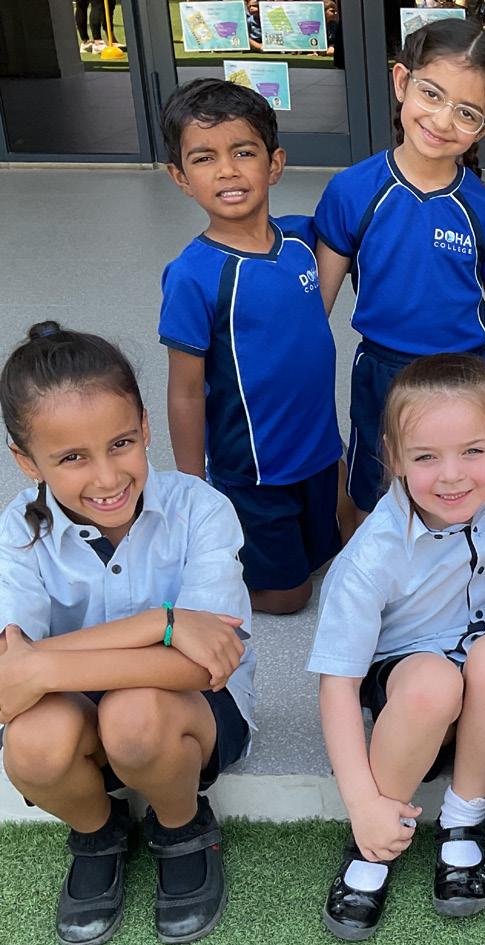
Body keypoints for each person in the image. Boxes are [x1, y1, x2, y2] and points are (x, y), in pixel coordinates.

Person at [0, 323, 255, 945]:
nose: (108, 477)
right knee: (30, 746)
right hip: (81, 716)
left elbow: (203, 667)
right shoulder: (17, 530)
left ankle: (182, 824)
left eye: (121, 443)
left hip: (190, 715)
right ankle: (98, 830)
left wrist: (43, 666)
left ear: (145, 426)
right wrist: (161, 624)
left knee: (134, 714)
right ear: (27, 462)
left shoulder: (200, 509)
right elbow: (8, 680)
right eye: (72, 458)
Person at [309, 355, 485, 941]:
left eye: (473, 451)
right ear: (394, 457)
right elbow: (337, 686)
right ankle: (375, 839)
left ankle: (462, 820)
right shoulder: (371, 555)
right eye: (425, 457)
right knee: (433, 684)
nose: (452, 476)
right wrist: (361, 802)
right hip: (409, 683)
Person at [313, 18, 485, 522]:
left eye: (466, 112)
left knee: (465, 494)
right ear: (401, 81)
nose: (443, 119)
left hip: (468, 377)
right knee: (374, 494)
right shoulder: (352, 191)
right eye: (431, 93)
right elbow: (314, 309)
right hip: (383, 373)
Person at [158, 79, 344, 615]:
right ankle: (198, 576)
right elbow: (185, 391)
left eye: (243, 152)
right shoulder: (193, 275)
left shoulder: (303, 240)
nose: (227, 170)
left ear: (274, 163)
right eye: (204, 158)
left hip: (319, 452)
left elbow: (368, 220)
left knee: (328, 556)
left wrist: (478, 190)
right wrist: (194, 490)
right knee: (290, 596)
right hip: (253, 469)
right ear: (180, 177)